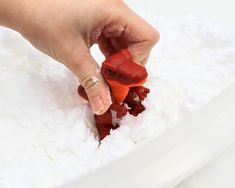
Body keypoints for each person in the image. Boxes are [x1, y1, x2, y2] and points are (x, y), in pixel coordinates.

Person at [0, 0, 159, 115]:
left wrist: (139, 90)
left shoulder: (121, 82)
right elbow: (113, 104)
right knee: (104, 118)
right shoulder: (112, 82)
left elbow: (131, 85)